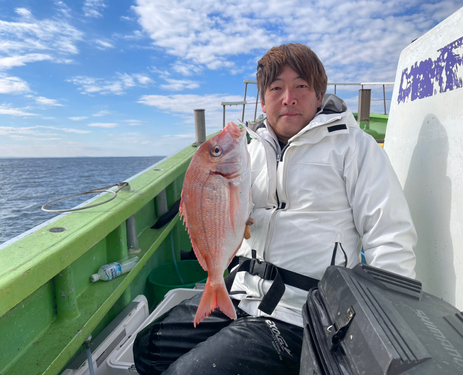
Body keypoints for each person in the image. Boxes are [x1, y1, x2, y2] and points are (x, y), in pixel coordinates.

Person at [133, 43, 417, 375]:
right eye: (276, 88)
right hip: (240, 291)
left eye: (301, 86)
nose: (289, 98)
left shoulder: (354, 147)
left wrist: (382, 328)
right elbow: (225, 215)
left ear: (318, 93)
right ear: (264, 100)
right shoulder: (249, 153)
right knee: (147, 349)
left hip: (302, 315)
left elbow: (390, 236)